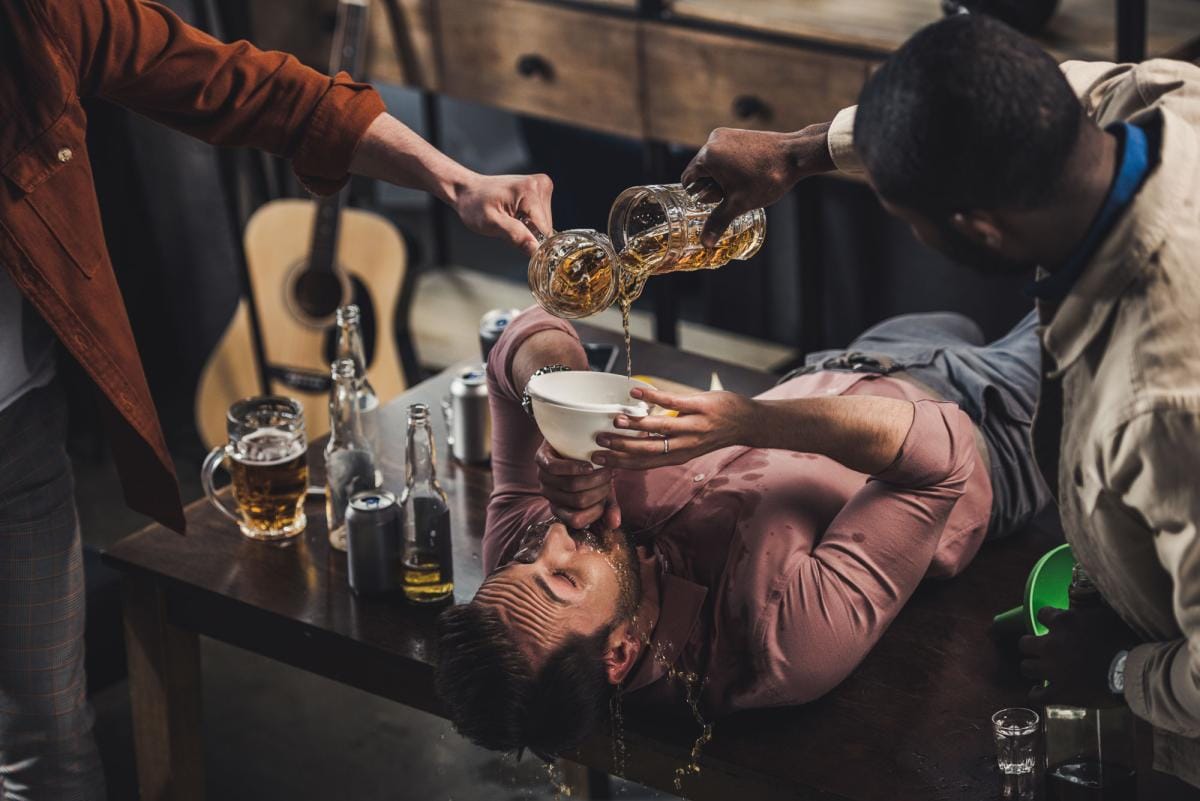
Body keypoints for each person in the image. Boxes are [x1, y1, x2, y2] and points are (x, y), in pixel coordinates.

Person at [0, 0, 554, 794]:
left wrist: (458, 179)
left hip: (20, 437)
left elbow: (253, 88)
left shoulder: (36, 18)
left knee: (50, 744)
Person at [681, 13, 1200, 787]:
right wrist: (800, 153)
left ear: (980, 231)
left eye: (908, 221)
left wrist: (1119, 666)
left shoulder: (1162, 407)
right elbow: (1043, 89)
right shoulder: (1169, 104)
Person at [435, 303, 1049, 755]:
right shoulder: (780, 641)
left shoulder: (516, 573)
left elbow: (522, 334)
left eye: (526, 563)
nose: (553, 539)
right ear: (619, 652)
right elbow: (941, 455)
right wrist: (751, 422)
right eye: (564, 581)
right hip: (998, 420)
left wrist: (561, 418)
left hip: (853, 359)